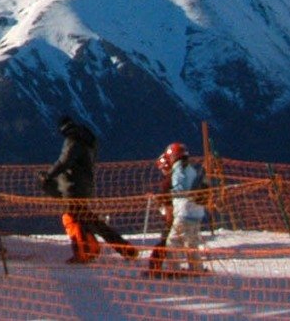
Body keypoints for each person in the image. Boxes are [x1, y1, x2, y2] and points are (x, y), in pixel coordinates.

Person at [42, 116, 137, 263]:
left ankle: (85, 253)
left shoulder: (73, 140)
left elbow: (64, 161)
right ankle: (120, 249)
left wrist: (48, 175)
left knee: (73, 219)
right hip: (86, 186)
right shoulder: (88, 140)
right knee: (89, 220)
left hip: (72, 187)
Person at [148, 142, 208, 277]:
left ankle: (174, 270)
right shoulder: (191, 168)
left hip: (184, 212)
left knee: (172, 242)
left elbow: (179, 186)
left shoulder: (178, 168)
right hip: (197, 212)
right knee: (191, 242)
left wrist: (173, 194)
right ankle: (196, 269)